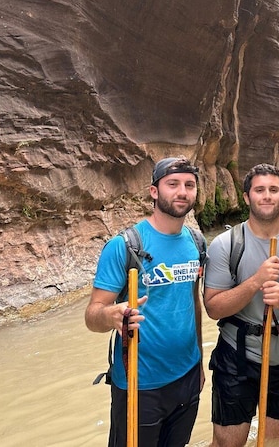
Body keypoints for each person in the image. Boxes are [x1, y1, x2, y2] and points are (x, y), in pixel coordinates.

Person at [203, 164, 279, 447]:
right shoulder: (225, 245)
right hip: (236, 357)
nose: (267, 196)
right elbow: (213, 308)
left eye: (274, 190)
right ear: (247, 197)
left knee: (278, 441)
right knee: (226, 444)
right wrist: (255, 282)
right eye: (259, 190)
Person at [85, 157, 205, 447]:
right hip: (140, 385)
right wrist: (112, 315)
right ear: (154, 192)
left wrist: (200, 361)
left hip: (187, 376)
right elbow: (92, 315)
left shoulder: (196, 242)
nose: (182, 192)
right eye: (173, 184)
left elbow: (193, 305)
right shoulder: (125, 246)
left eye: (189, 185)